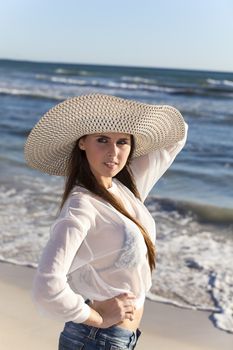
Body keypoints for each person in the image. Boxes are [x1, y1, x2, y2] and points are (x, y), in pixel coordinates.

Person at [24, 93, 188, 349]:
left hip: (119, 339)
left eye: (122, 142)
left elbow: (176, 135)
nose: (113, 152)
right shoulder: (82, 206)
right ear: (82, 143)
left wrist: (131, 115)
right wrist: (97, 318)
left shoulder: (124, 190)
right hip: (97, 339)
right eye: (102, 140)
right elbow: (46, 287)